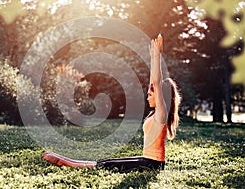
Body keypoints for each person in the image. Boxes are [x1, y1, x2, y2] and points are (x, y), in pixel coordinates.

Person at [42, 34, 181, 172]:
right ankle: (66, 160)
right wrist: (152, 58)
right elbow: (153, 82)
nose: (147, 98)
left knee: (107, 166)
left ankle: (66, 162)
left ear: (160, 97)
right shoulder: (156, 114)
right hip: (147, 160)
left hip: (152, 165)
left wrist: (157, 56)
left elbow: (156, 82)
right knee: (106, 162)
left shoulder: (161, 115)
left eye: (150, 95)